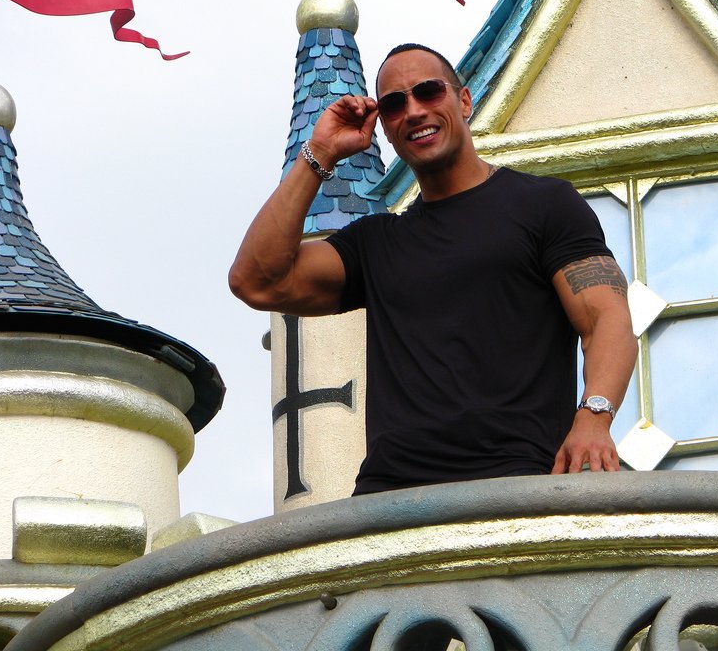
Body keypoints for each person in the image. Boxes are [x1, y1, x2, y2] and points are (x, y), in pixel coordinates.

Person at [229, 43, 637, 494]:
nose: (414, 111)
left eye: (428, 91)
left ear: (464, 101)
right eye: (394, 104)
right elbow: (256, 280)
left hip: (515, 483)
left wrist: (594, 417)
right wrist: (321, 151)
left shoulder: (544, 205)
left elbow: (606, 318)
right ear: (385, 127)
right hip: (391, 499)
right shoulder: (376, 243)